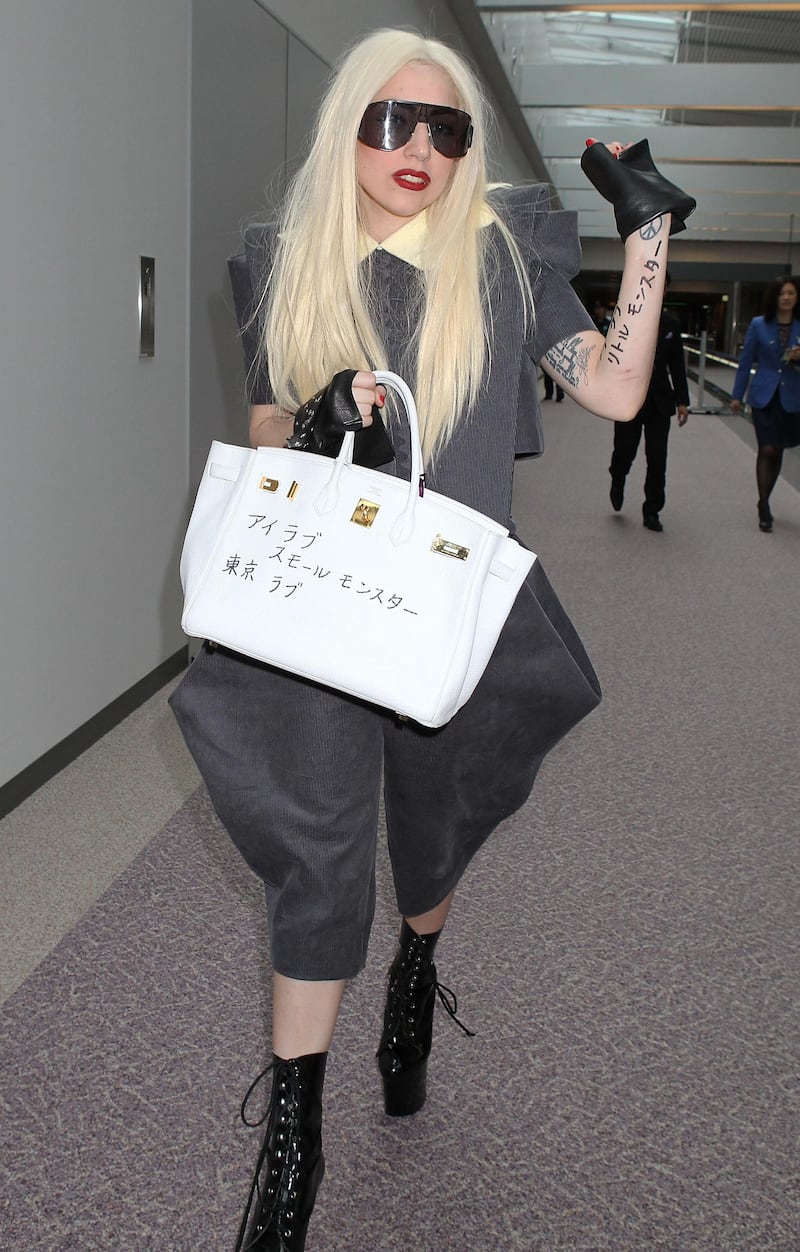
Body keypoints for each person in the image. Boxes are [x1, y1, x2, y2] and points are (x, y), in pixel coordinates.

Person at [169, 29, 694, 1250]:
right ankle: (291, 1145)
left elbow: (613, 391)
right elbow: (259, 420)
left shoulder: (502, 263)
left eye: (446, 129)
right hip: (315, 610)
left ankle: (414, 974)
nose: (417, 149)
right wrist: (313, 407)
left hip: (445, 612)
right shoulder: (287, 261)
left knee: (433, 825)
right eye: (390, 122)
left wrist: (647, 228)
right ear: (347, 125)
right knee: (319, 855)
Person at [608, 272, 690, 531]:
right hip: (629, 399)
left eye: (663, 286)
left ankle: (652, 510)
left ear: (666, 290)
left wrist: (682, 401)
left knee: (657, 459)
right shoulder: (627, 319)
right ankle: (617, 478)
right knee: (625, 452)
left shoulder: (671, 325)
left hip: (660, 402)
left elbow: (677, 365)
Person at [731, 276, 800, 531]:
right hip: (764, 396)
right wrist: (736, 395)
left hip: (792, 397)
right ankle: (764, 505)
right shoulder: (759, 325)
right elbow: (746, 362)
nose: (786, 298)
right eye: (782, 293)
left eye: (791, 293)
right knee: (767, 449)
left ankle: (765, 499)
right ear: (775, 297)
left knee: (779, 449)